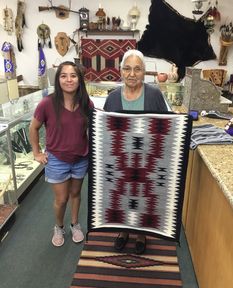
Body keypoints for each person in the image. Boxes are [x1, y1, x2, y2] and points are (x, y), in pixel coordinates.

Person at [103, 49, 170, 254]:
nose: (132, 74)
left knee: (143, 197)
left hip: (147, 161)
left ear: (144, 72)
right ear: (121, 71)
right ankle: (123, 231)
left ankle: (141, 234)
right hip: (121, 161)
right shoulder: (113, 98)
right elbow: (105, 129)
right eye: (127, 69)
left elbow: (167, 127)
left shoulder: (154, 95)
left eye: (137, 69)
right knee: (122, 196)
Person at [29, 61, 93, 247]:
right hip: (57, 160)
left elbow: (98, 123)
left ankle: (75, 224)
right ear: (58, 80)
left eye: (73, 75)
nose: (69, 79)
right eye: (63, 76)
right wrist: (37, 153)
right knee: (61, 198)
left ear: (79, 79)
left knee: (75, 194)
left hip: (81, 158)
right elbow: (33, 128)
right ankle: (59, 226)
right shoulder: (47, 103)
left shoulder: (85, 102)